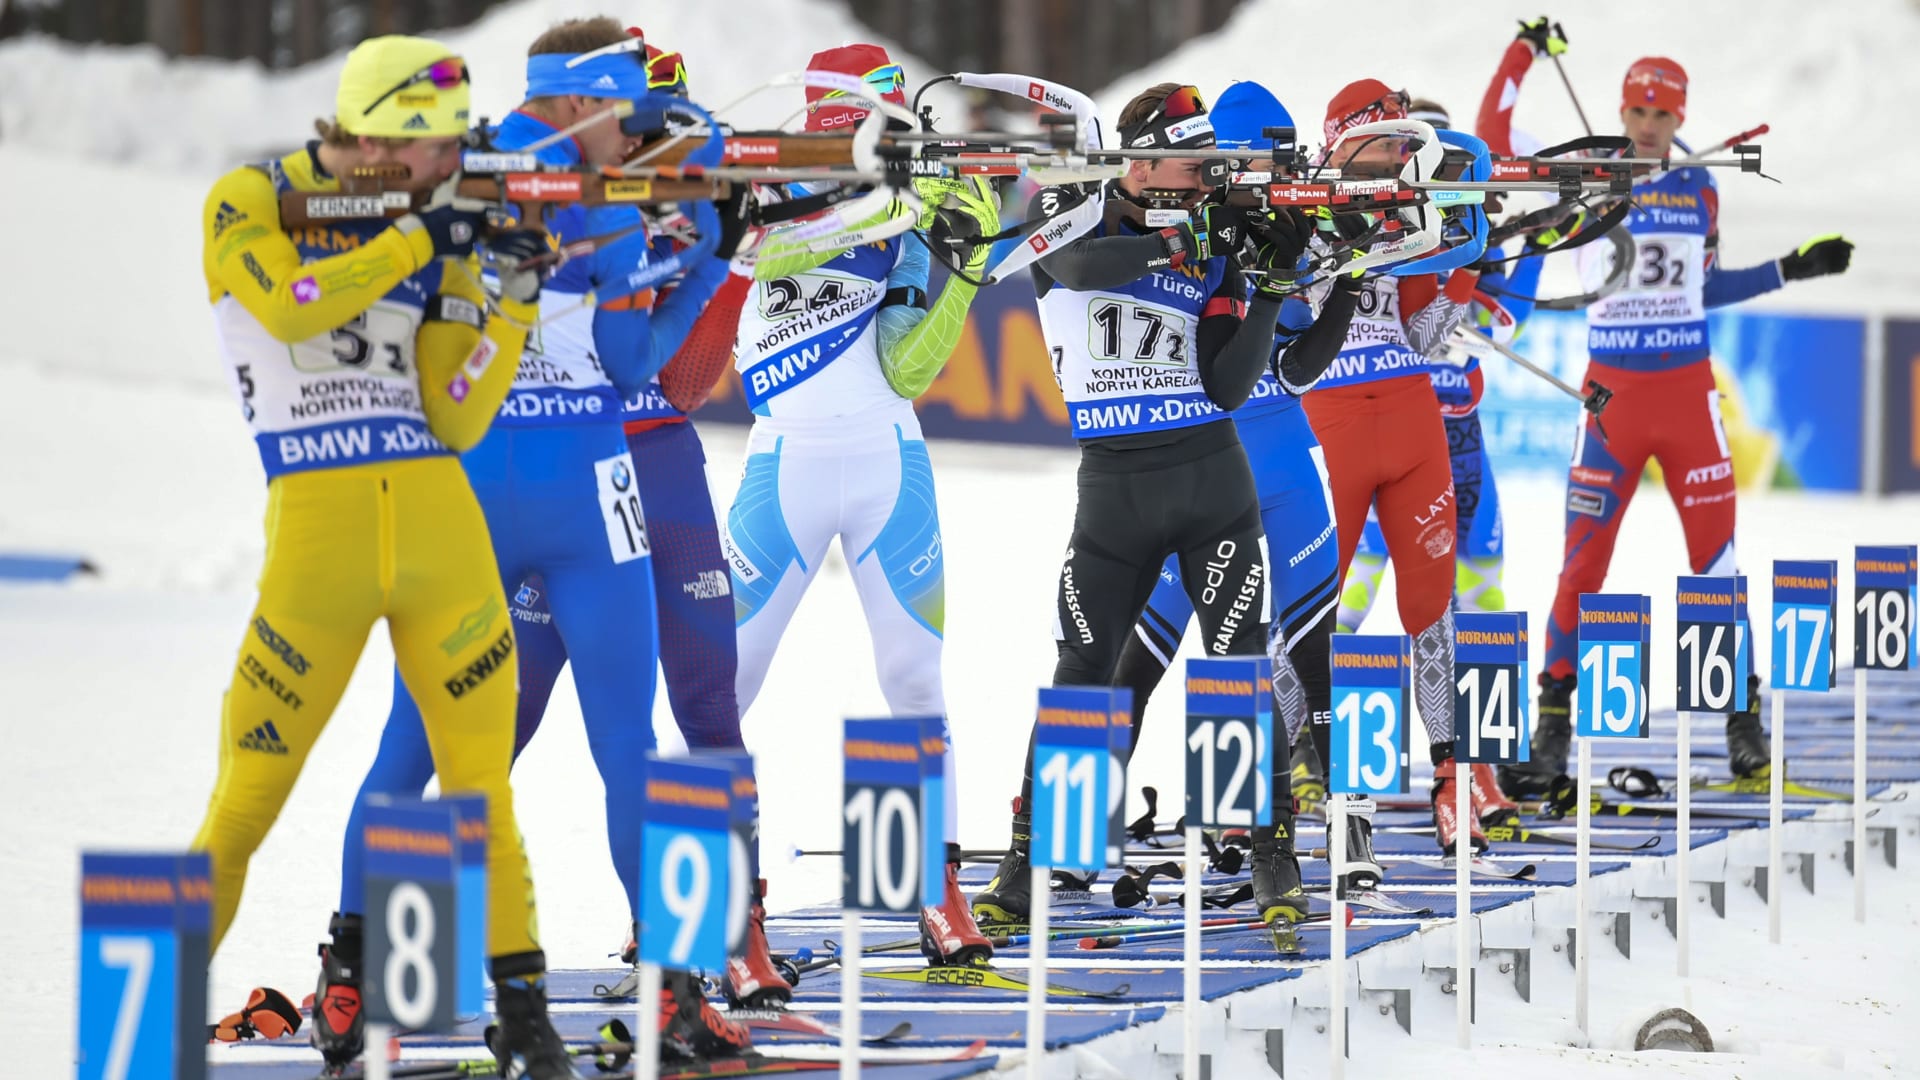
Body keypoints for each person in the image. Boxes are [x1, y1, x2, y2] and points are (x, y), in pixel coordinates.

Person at [318, 20, 749, 1068]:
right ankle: (674, 996)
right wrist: (697, 256)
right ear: (580, 103)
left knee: (408, 749)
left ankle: (349, 977)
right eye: (627, 121)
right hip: (586, 499)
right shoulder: (587, 196)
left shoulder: (460, 157)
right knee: (627, 748)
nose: (634, 139)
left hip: (465, 488)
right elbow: (629, 360)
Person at [191, 34, 581, 1078]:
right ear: (368, 139)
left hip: (439, 532)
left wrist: (514, 297)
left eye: (456, 150)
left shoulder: (434, 221)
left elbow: (456, 415)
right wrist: (422, 237)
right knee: (244, 805)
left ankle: (528, 1020)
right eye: (428, 151)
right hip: (316, 548)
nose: (444, 169)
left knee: (481, 795)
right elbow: (289, 304)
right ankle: (141, 1025)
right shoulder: (248, 197)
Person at [971, 82, 1332, 927]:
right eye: (1192, 158)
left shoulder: (1213, 235)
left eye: (1214, 162)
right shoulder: (1070, 207)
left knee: (1237, 670)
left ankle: (1273, 851)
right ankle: (1031, 860)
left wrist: (1267, 282)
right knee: (1081, 676)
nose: (1208, 174)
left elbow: (1227, 382)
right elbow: (1075, 265)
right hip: (1111, 497)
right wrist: (1186, 232)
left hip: (1212, 483)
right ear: (1137, 158)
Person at [1479, 22, 1855, 796]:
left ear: (1680, 120)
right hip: (1613, 399)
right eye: (1637, 114)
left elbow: (1702, 288)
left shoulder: (1699, 186)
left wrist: (1791, 268)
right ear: (1620, 112)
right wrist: (1525, 54)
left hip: (1688, 396)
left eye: (1662, 117)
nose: (1648, 128)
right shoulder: (1587, 177)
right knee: (1584, 564)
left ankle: (1741, 719)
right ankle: (1553, 721)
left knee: (1716, 562)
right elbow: (1491, 136)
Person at [496, 33, 793, 1012]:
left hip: (655, 466)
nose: (645, 145)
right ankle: (396, 946)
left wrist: (732, 252)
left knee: (703, 705)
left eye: (660, 128)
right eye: (635, 126)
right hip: (554, 467)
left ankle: (724, 924)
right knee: (494, 720)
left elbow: (687, 382)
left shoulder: (676, 200)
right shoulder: (545, 186)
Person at [718, 43, 1003, 966]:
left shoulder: (911, 206)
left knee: (916, 680)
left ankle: (938, 889)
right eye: (868, 135)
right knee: (719, 690)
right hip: (784, 467)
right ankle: (725, 907)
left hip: (887, 458)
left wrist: (960, 257)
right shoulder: (773, 185)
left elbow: (905, 365)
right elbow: (764, 251)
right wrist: (888, 200)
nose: (885, 148)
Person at [1103, 80, 1373, 886]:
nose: (1270, 172)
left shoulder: (1280, 222)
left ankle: (1347, 833)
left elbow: (1295, 368)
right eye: (1258, 158)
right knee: (1133, 659)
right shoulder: (1183, 222)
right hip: (1195, 466)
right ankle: (1077, 839)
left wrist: (1349, 276)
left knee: (1319, 649)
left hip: (1280, 464)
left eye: (1284, 158)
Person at [1327, 95, 1545, 831]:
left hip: (1445, 449)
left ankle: (1472, 776)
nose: (1408, 161)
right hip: (1353, 435)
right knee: (1332, 615)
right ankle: (1295, 769)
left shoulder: (1440, 233)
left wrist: (1498, 251)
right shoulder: (1336, 215)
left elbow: (1479, 321)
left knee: (1465, 614)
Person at [1302, 79, 1502, 852]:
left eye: (1403, 145)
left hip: (1414, 425)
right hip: (1335, 427)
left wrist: (1464, 261)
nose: (1399, 156)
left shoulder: (1403, 211)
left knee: (1432, 611)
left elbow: (1425, 336)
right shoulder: (1298, 203)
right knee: (1308, 614)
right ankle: (1298, 781)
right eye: (1387, 142)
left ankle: (1452, 784)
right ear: (1346, 141)